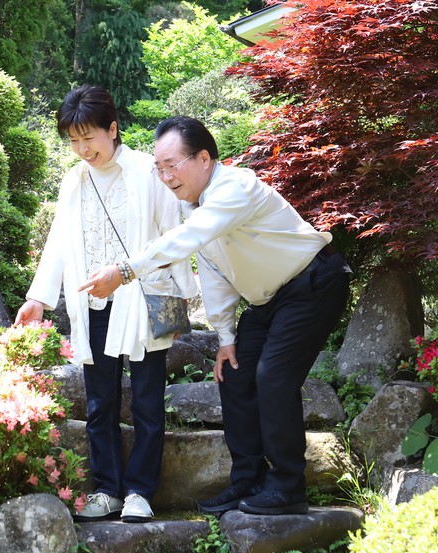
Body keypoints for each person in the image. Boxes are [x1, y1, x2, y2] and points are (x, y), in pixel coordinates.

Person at [80, 116, 351, 516]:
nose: (165, 176)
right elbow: (214, 272)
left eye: (172, 165)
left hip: (313, 283)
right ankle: (247, 479)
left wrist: (123, 272)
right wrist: (225, 338)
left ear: (204, 158)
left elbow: (188, 240)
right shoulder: (194, 206)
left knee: (273, 376)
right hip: (269, 300)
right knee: (236, 371)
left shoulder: (234, 188)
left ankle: (288, 485)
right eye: (160, 168)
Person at [15, 86, 197, 523]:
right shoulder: (74, 180)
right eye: (73, 140)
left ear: (113, 130)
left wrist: (180, 286)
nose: (81, 149)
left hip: (142, 300)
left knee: (148, 401)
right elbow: (58, 241)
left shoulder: (146, 172)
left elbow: (174, 234)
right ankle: (108, 489)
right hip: (94, 304)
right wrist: (38, 297)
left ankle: (139, 492)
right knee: (99, 402)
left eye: (88, 138)